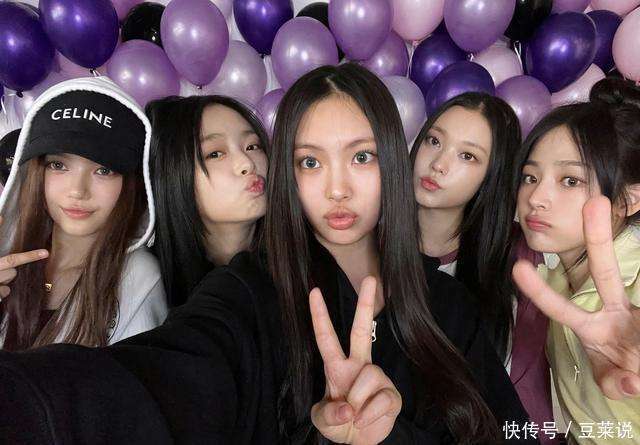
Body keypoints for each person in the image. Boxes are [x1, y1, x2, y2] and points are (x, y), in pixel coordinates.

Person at [0, 64, 537, 444]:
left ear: (394, 162)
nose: (337, 189)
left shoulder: (448, 306)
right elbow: (149, 384)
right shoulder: (248, 293)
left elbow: (511, 432)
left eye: (362, 157)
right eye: (310, 163)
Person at [410, 93, 558, 444]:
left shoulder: (521, 261)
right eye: (434, 141)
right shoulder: (366, 243)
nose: (438, 164)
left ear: (492, 175)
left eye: (468, 156)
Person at [513, 78, 640, 444]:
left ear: (627, 201)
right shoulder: (552, 285)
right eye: (530, 176)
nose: (536, 197)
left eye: (570, 181)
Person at [0, 76, 167, 350]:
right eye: (58, 165)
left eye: (103, 170)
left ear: (130, 183)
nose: (78, 191)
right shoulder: (8, 261)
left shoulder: (137, 277)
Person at [146, 95, 268, 306]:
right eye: (215, 154)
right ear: (172, 176)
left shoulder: (303, 260)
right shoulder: (147, 282)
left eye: (252, 146)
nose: (247, 163)